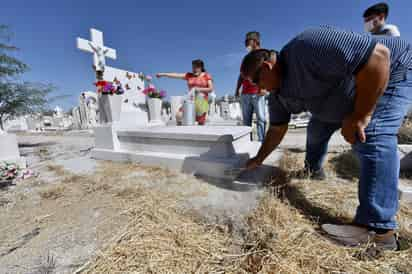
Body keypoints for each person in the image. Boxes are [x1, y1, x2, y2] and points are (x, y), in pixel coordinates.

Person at [241, 26, 412, 250]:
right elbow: (276, 130)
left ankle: (378, 231)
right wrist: (259, 159)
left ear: (266, 67)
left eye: (255, 81)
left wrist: (361, 115)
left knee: (372, 135)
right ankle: (314, 171)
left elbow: (379, 57)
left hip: (392, 70)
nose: (256, 87)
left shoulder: (307, 46)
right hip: (342, 93)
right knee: (316, 129)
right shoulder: (279, 94)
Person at [157, 59, 213, 125]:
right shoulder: (189, 75)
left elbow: (210, 89)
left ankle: (201, 118)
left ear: (201, 67)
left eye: (196, 67)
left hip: (201, 102)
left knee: (200, 122)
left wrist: (198, 89)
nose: (194, 69)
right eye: (193, 67)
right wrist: (163, 74)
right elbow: (176, 75)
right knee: (179, 116)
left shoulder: (206, 76)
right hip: (190, 100)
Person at [235, 31, 267, 142]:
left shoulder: (264, 55)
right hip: (245, 94)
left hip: (258, 93)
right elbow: (241, 75)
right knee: (246, 122)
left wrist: (265, 88)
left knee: (261, 119)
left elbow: (269, 72)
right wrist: (236, 90)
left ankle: (261, 144)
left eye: (248, 41)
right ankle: (247, 143)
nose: (246, 44)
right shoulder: (246, 58)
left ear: (255, 41)